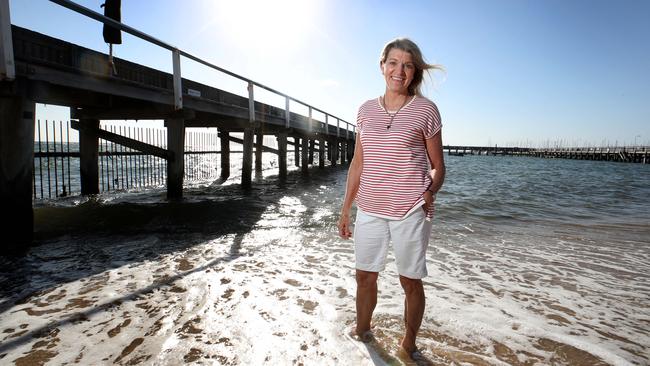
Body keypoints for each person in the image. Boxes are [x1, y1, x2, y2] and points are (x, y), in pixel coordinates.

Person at [337, 37, 445, 361]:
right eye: (393, 63)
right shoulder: (365, 110)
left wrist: (428, 193)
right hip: (369, 207)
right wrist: (346, 210)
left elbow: (439, 167)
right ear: (382, 66)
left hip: (409, 209)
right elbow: (359, 162)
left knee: (409, 281)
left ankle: (409, 344)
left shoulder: (426, 110)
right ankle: (362, 331)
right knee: (364, 276)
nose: (399, 71)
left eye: (407, 65)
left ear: (414, 72)